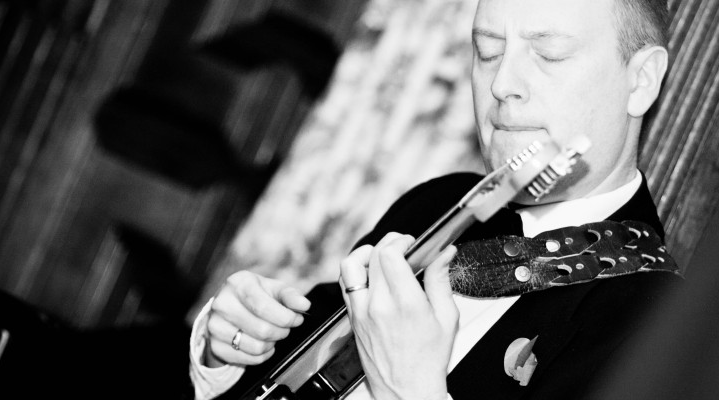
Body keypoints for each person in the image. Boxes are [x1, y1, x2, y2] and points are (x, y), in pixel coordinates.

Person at [188, 0, 679, 399]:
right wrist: (229, 348)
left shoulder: (659, 328)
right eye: (487, 51)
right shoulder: (440, 204)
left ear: (642, 80)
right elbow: (289, 362)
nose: (502, 85)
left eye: (548, 54)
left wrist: (410, 391)